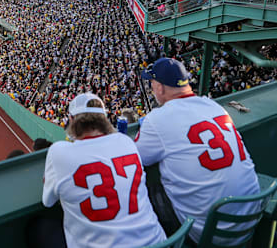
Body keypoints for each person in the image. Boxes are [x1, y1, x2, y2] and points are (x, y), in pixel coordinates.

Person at [136, 58, 260, 243]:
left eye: (152, 83)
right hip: (251, 217)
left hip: (212, 233)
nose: (151, 87)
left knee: (148, 192)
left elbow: (137, 158)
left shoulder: (157, 119)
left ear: (160, 87)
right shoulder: (213, 106)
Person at [41, 92, 166, 248]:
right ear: (105, 120)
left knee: (39, 229)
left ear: (72, 120)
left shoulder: (58, 151)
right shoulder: (125, 141)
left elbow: (48, 201)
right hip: (158, 243)